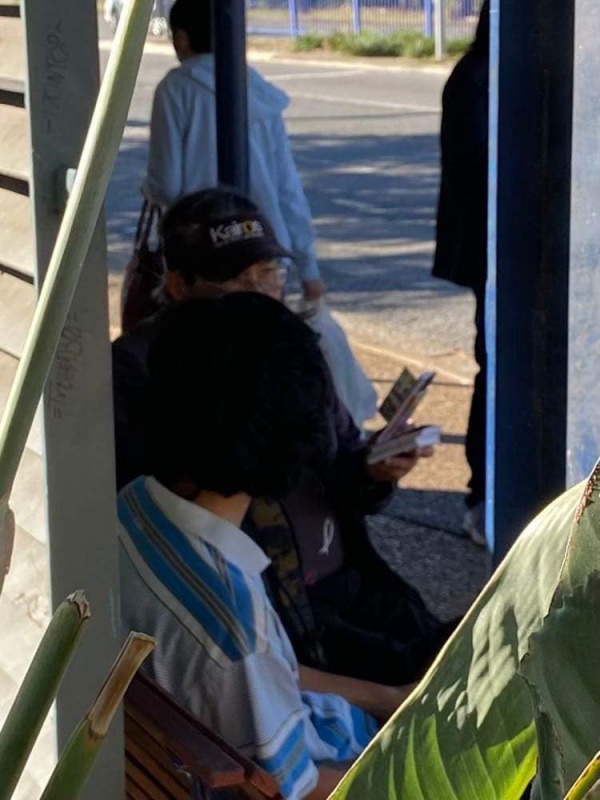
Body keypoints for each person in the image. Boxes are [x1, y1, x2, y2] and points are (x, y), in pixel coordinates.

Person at [113, 188, 456, 686]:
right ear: (179, 285)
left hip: (348, 584)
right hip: (272, 607)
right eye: (237, 280)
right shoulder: (146, 371)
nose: (259, 293)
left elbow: (342, 463)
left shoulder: (287, 347)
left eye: (268, 274)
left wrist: (375, 471)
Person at [118, 293, 414, 799]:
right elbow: (300, 791)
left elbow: (278, 675)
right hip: (345, 770)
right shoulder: (233, 629)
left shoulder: (135, 509)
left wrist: (389, 698)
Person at [145, 0, 325, 303]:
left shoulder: (175, 89)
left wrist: (148, 190)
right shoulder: (256, 87)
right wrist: (309, 270)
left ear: (181, 38)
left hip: (203, 257)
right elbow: (288, 189)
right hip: (263, 253)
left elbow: (165, 185)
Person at [432, 1, 489, 546]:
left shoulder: (473, 74)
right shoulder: (480, 78)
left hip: (489, 253)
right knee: (494, 366)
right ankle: (482, 494)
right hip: (495, 256)